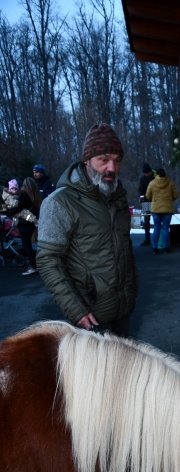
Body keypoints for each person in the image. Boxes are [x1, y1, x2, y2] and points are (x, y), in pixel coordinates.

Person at [37, 123, 137, 337]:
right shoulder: (59, 202)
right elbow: (48, 260)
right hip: (89, 318)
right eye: (103, 159)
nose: (112, 167)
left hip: (123, 309)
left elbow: (124, 247)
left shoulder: (117, 197)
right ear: (86, 161)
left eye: (117, 160)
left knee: (122, 369)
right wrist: (76, 310)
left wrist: (132, 289)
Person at [7, 177, 42, 276]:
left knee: (26, 245)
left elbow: (17, 207)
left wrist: (9, 212)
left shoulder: (23, 195)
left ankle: (32, 266)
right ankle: (34, 264)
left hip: (23, 223)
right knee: (29, 245)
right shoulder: (36, 195)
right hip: (31, 223)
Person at [146, 167, 178, 254]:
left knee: (156, 228)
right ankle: (166, 248)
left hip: (155, 209)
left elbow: (148, 196)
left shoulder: (152, 183)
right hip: (167, 209)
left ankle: (155, 248)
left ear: (156, 174)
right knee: (165, 228)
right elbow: (175, 195)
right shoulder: (171, 183)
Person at [138, 162, 155, 246]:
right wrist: (141, 197)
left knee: (157, 219)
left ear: (150, 171)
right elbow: (140, 190)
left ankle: (157, 238)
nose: (147, 174)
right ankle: (147, 238)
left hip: (155, 201)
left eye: (148, 173)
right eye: (145, 173)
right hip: (146, 201)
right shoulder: (142, 179)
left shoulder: (155, 177)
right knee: (146, 220)